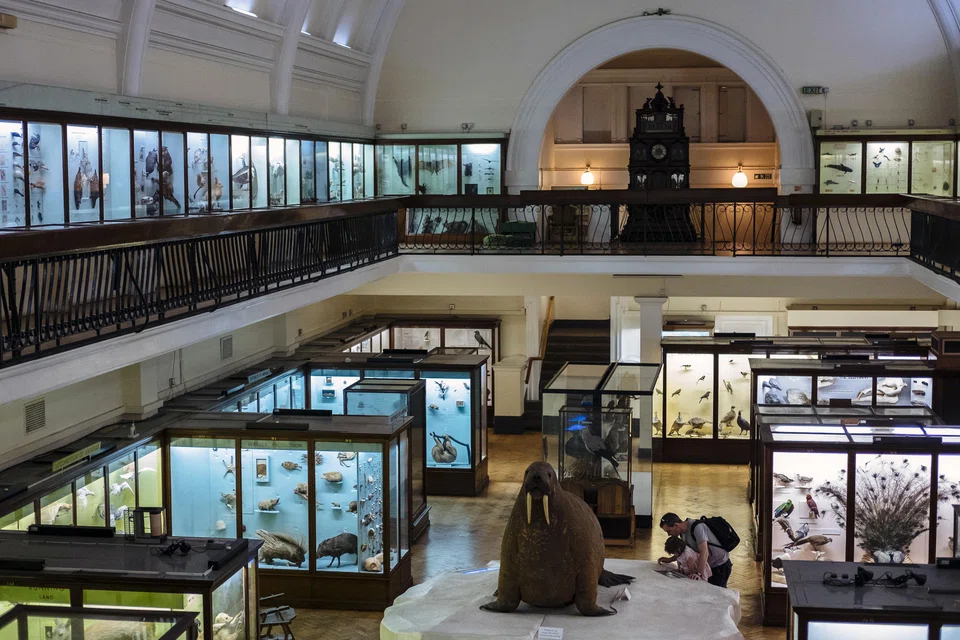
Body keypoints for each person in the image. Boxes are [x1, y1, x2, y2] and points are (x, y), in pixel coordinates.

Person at [659, 512, 732, 588]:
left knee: (717, 594)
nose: (669, 534)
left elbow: (704, 552)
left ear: (676, 525)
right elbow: (683, 551)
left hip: (719, 566)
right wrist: (670, 559)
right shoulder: (682, 532)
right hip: (706, 566)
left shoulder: (697, 528)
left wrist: (699, 574)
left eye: (669, 531)